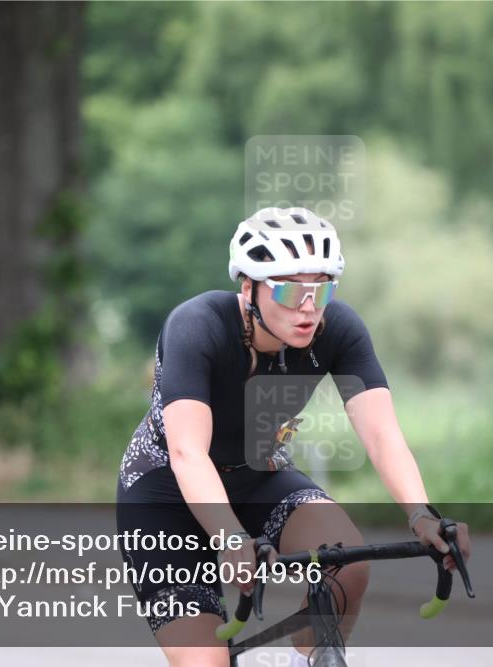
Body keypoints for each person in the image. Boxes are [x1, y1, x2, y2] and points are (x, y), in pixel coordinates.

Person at [116, 207, 471, 667]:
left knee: (348, 565)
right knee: (206, 662)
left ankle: (313, 655)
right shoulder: (196, 324)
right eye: (288, 289)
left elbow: (382, 435)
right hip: (166, 493)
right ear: (249, 288)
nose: (308, 306)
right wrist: (228, 537)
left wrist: (422, 516)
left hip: (259, 475)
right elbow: (187, 451)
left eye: (321, 288)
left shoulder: (337, 329)